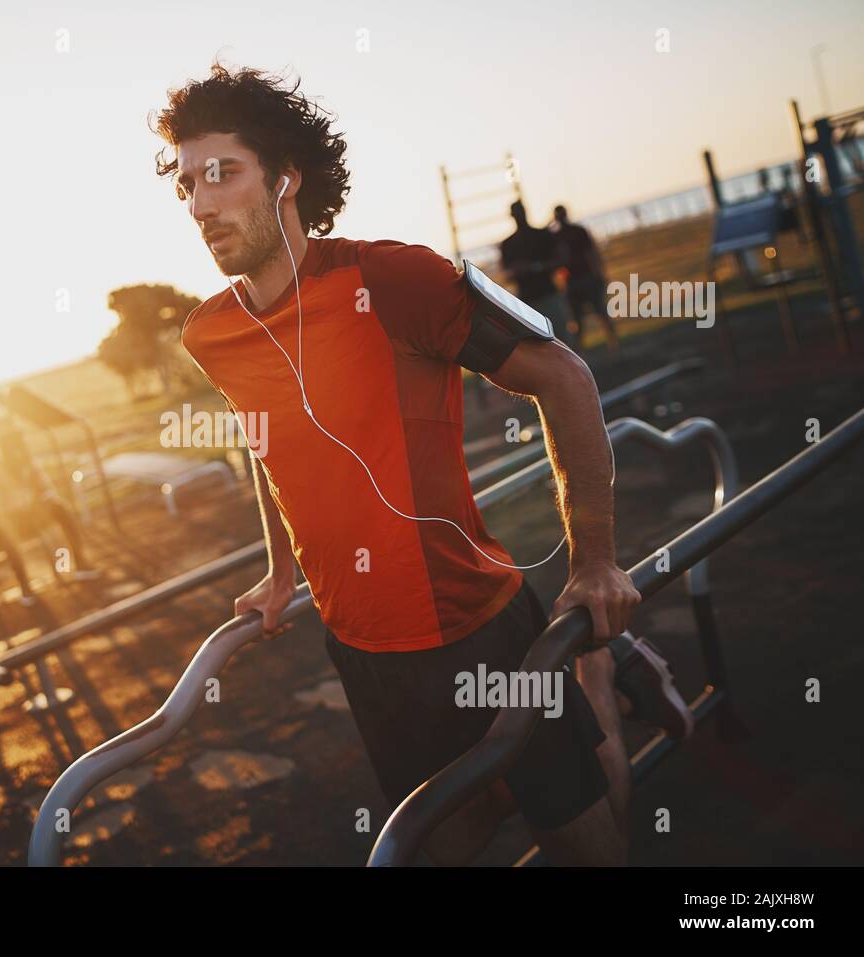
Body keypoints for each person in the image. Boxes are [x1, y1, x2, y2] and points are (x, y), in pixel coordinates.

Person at [151, 63, 693, 866]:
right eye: (187, 183)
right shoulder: (210, 334)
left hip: (480, 631)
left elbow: (566, 377)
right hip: (363, 655)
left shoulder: (393, 278)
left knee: (587, 838)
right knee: (445, 842)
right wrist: (280, 570)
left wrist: (596, 562)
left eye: (222, 173)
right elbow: (267, 439)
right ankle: (596, 681)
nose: (199, 204)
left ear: (286, 177)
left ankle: (597, 676)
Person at [0, 411, 98, 598]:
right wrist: (30, 501)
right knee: (8, 530)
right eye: (17, 450)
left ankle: (81, 564)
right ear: (6, 453)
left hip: (28, 517)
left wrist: (41, 500)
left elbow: (47, 491)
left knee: (60, 508)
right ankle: (25, 586)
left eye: (23, 449)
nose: (22, 454)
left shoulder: (29, 466)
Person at [499, 199, 573, 347]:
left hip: (546, 296)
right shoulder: (510, 244)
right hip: (530, 301)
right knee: (545, 345)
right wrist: (519, 270)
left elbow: (561, 260)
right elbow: (506, 274)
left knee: (561, 341)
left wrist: (534, 267)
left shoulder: (540, 236)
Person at [552, 204, 620, 358]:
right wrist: (599, 273)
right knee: (585, 317)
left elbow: (590, 253)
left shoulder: (566, 234)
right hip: (577, 280)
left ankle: (604, 347)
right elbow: (591, 254)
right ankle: (608, 346)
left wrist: (598, 273)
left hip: (579, 279)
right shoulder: (571, 233)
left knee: (587, 316)